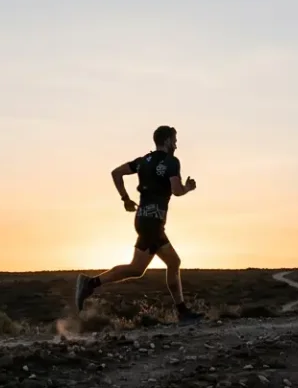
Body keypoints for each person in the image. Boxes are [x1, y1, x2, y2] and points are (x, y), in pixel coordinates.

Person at [74, 125, 203, 323]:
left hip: (143, 219)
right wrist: (188, 187)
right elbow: (177, 191)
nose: (176, 145)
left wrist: (125, 199)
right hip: (153, 222)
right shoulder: (171, 162)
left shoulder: (143, 161)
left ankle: (90, 283)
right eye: (175, 140)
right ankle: (182, 311)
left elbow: (116, 173)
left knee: (139, 268)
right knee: (169, 263)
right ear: (168, 141)